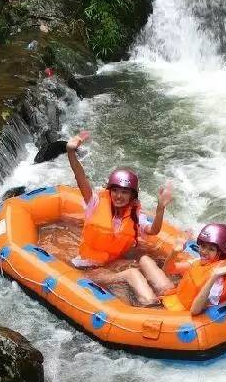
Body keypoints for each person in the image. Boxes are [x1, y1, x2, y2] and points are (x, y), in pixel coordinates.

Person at [66, 130, 174, 305]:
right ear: (110, 191)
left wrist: (161, 208)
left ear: (132, 196)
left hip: (113, 263)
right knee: (132, 274)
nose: (119, 196)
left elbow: (153, 230)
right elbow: (81, 177)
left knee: (145, 260)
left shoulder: (134, 215)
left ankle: (169, 293)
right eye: (115, 190)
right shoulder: (94, 203)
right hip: (90, 268)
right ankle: (151, 306)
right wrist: (71, 152)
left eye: (124, 192)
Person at [139, 223, 226, 315]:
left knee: (131, 274)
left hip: (171, 314)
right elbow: (169, 269)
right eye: (203, 246)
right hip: (173, 297)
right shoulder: (200, 262)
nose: (204, 251)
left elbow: (195, 310)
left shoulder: (217, 282)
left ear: (220, 254)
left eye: (211, 249)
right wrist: (175, 252)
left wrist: (213, 278)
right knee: (145, 260)